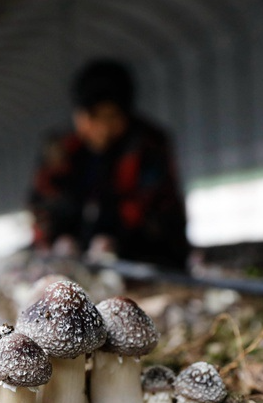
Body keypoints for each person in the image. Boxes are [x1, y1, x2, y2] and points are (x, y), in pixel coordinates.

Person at [28, 60, 190, 269]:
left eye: (111, 117)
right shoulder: (60, 149)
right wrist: (56, 241)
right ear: (79, 115)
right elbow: (41, 205)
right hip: (73, 253)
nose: (102, 128)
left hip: (140, 252)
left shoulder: (148, 144)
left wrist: (117, 241)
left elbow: (157, 207)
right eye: (93, 117)